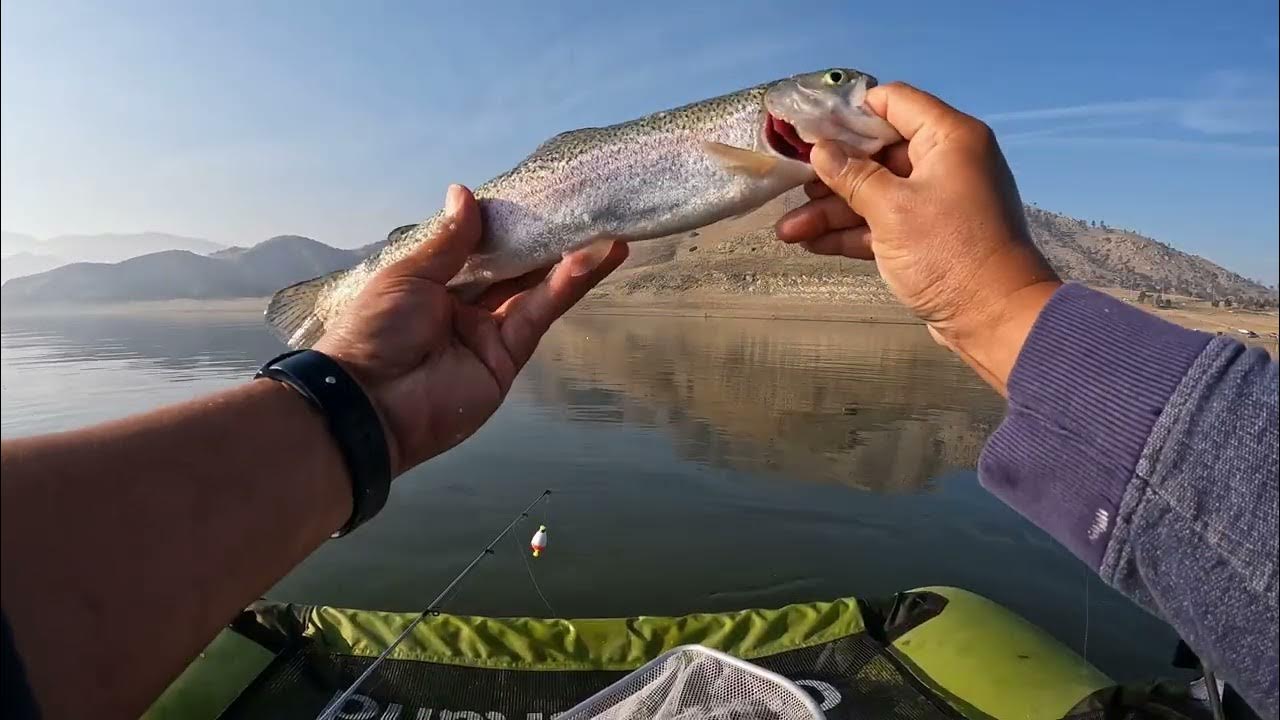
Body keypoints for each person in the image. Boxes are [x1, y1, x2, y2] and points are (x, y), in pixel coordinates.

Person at [1, 83, 1275, 719]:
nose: (849, 89)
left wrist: (345, 411)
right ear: (787, 111)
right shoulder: (757, 129)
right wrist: (998, 303)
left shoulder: (767, 142)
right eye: (833, 79)